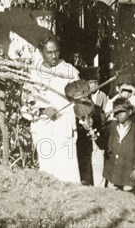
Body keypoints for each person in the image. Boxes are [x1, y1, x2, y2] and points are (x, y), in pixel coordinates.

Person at [23, 34, 80, 183]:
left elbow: (81, 100)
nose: (54, 56)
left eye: (56, 51)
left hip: (64, 128)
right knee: (48, 172)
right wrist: (43, 111)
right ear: (42, 52)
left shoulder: (70, 71)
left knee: (68, 172)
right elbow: (25, 104)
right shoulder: (34, 73)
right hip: (44, 129)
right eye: (49, 52)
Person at [98, 97, 135, 192]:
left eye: (122, 111)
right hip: (113, 169)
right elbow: (100, 122)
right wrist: (111, 111)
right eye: (116, 112)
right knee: (112, 193)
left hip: (128, 170)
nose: (119, 114)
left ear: (130, 112)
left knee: (127, 194)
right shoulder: (112, 126)